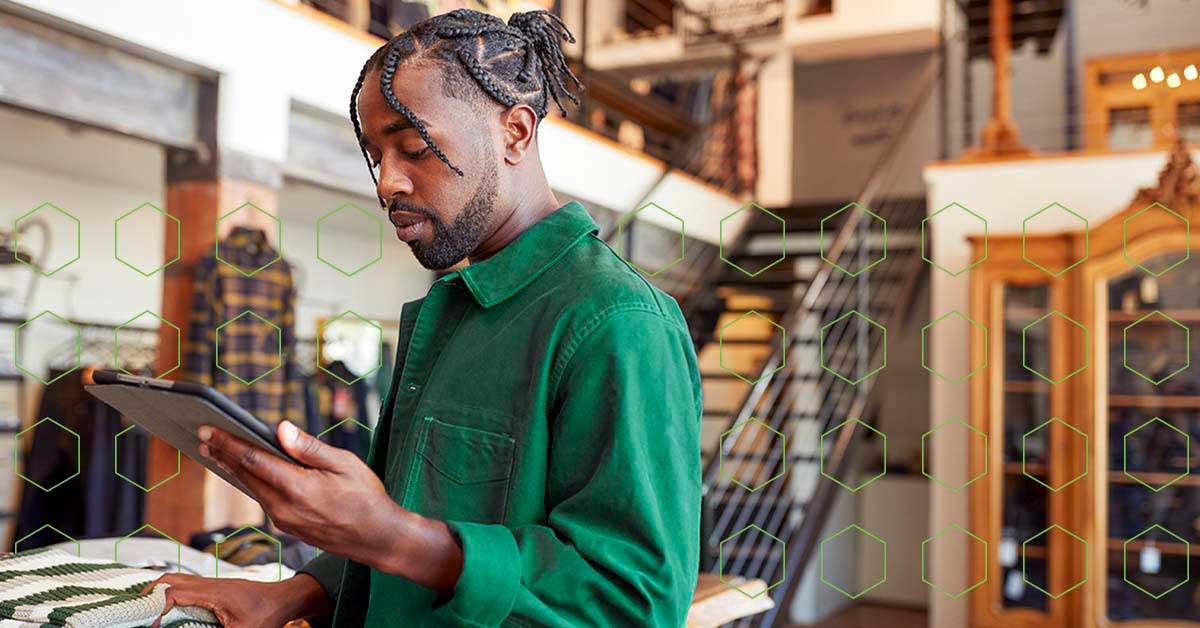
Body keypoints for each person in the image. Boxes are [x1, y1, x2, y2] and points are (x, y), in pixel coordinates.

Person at [146, 8, 702, 628]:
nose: (386, 183)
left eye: (413, 148)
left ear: (515, 131)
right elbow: (414, 513)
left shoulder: (618, 323)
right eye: (375, 154)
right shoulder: (453, 308)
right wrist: (295, 592)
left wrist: (393, 536)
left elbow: (638, 604)